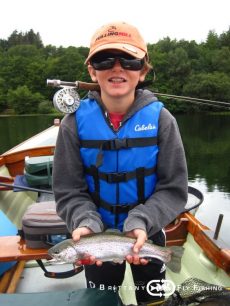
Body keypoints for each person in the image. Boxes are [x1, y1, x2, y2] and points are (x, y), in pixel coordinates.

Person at [53, 21, 188, 305]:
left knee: (153, 300)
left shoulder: (163, 121)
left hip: (149, 234)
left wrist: (141, 221)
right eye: (104, 60)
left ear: (142, 70)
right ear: (92, 70)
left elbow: (174, 190)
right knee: (102, 300)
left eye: (129, 59)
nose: (117, 68)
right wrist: (85, 222)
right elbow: (68, 192)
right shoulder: (72, 125)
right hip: (93, 238)